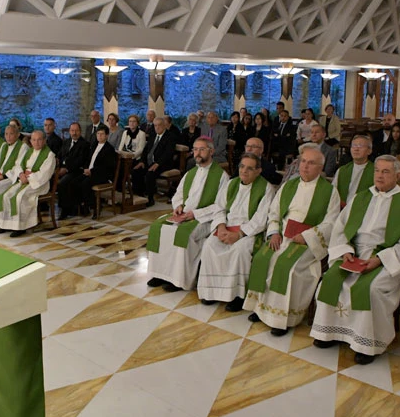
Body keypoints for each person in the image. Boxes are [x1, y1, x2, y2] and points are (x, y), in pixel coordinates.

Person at [311, 155, 400, 364]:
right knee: (331, 279)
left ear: (398, 175)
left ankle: (366, 344)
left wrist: (379, 260)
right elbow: (340, 227)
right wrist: (345, 250)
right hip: (354, 253)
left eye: (386, 172)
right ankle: (329, 333)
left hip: (383, 258)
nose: (379, 175)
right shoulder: (360, 197)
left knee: (370, 288)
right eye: (377, 170)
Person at [243, 144, 340, 335]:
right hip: (282, 234)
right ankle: (260, 307)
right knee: (263, 258)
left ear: (320, 168)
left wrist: (306, 236)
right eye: (303, 161)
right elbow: (274, 212)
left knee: (286, 266)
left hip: (306, 241)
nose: (305, 166)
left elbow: (331, 223)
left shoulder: (330, 192)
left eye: (311, 163)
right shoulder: (289, 185)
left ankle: (282, 317)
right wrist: (274, 233)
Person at [146, 137, 230, 292]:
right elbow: (178, 193)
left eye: (202, 149)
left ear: (211, 151)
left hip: (204, 219)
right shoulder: (190, 173)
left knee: (182, 233)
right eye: (195, 149)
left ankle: (178, 279)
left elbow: (220, 205)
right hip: (184, 213)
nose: (197, 153)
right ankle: (160, 273)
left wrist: (195, 214)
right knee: (158, 227)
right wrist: (178, 206)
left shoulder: (222, 177)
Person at [197, 153, 275, 310]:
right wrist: (220, 227)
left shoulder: (267, 188)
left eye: (250, 168)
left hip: (249, 231)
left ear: (259, 171)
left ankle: (236, 296)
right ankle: (211, 291)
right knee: (209, 246)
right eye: (242, 166)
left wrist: (239, 234)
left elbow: (261, 219)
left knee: (239, 251)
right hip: (226, 227)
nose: (244, 171)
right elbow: (219, 208)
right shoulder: (231, 184)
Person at [0, 130, 56, 237]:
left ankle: (20, 227)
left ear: (44, 141)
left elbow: (44, 174)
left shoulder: (49, 155)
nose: (36, 142)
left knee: (19, 196)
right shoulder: (29, 152)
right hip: (24, 180)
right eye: (34, 140)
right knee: (6, 195)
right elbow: (18, 165)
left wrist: (29, 177)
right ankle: (5, 225)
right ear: (31, 141)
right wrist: (21, 174)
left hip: (38, 184)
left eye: (39, 140)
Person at [132, 117, 177, 206]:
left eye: (159, 125)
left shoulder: (170, 136)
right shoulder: (152, 134)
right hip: (150, 162)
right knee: (136, 170)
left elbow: (168, 154)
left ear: (164, 126)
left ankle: (150, 198)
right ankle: (140, 195)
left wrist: (158, 163)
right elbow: (146, 150)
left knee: (150, 174)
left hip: (163, 163)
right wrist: (142, 161)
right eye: (155, 125)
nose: (157, 127)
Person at [78, 125, 117, 214]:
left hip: (102, 175)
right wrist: (85, 168)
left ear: (107, 136)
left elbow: (106, 167)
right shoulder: (94, 145)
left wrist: (91, 171)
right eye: (98, 134)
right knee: (76, 181)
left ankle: (94, 206)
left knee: (85, 183)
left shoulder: (109, 149)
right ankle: (82, 206)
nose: (99, 136)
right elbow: (88, 159)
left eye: (102, 134)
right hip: (90, 172)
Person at [57, 122, 90, 219]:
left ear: (80, 132)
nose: (74, 133)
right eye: (72, 130)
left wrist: (66, 169)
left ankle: (65, 210)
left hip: (76, 171)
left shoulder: (84, 144)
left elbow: (80, 161)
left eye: (76, 131)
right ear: (69, 131)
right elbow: (60, 155)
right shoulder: (66, 142)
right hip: (62, 169)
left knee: (63, 183)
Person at [332, 134, 375, 206]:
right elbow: (333, 193)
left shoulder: (375, 171)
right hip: (342, 209)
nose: (356, 149)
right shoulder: (342, 170)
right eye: (354, 145)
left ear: (369, 151)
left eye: (360, 146)